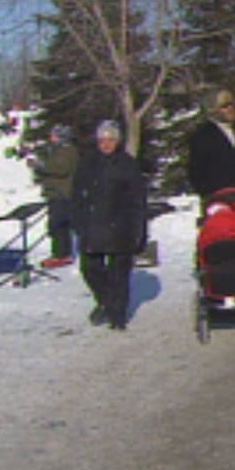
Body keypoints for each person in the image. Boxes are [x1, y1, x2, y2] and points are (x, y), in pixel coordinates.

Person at [71, 120, 147, 330]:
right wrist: (78, 222)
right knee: (90, 269)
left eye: (110, 140)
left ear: (117, 141)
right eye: (102, 140)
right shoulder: (87, 163)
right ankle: (105, 301)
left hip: (119, 227)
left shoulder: (127, 164)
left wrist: (138, 230)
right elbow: (77, 195)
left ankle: (117, 315)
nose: (106, 144)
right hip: (92, 227)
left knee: (119, 274)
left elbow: (137, 200)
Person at [188, 88, 235, 207]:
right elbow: (196, 172)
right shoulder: (202, 136)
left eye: (232, 104)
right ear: (212, 109)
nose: (231, 109)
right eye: (225, 106)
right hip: (219, 203)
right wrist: (210, 197)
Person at [32, 124, 79, 268]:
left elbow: (60, 168)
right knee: (58, 224)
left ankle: (61, 254)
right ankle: (60, 253)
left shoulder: (67, 151)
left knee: (57, 224)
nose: (51, 138)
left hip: (62, 194)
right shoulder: (58, 150)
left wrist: (40, 165)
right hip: (56, 193)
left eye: (54, 135)